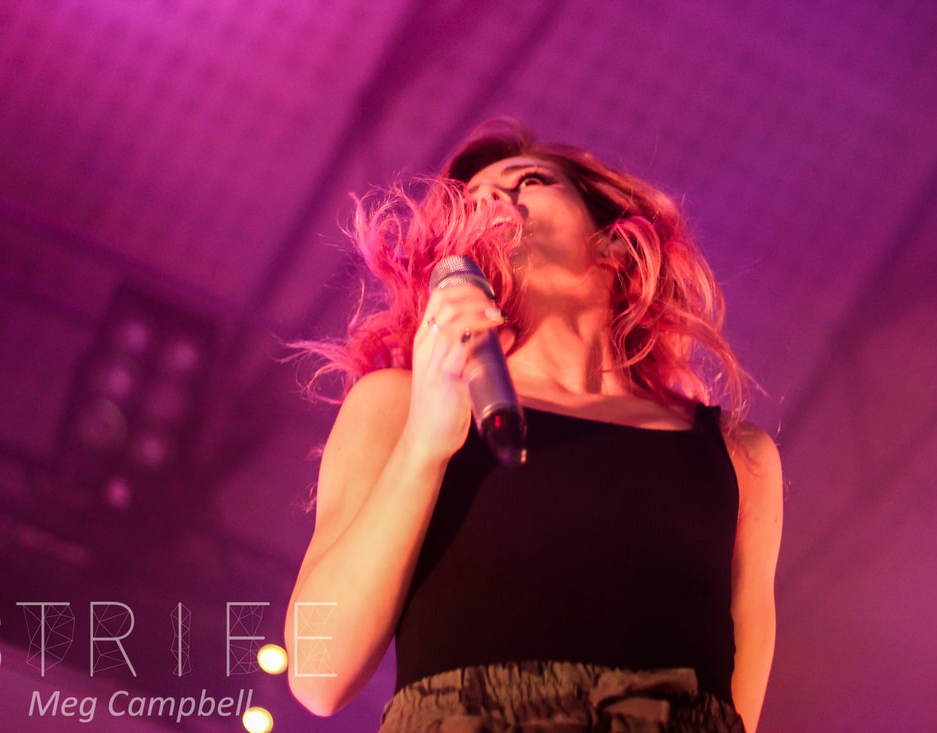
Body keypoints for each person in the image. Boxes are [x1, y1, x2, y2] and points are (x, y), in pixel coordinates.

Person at [285, 119, 783, 733]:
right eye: (472, 200)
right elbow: (316, 672)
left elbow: (733, 716)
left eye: (530, 182)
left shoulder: (739, 459)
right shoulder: (397, 404)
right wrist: (425, 444)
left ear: (615, 244)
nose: (494, 199)